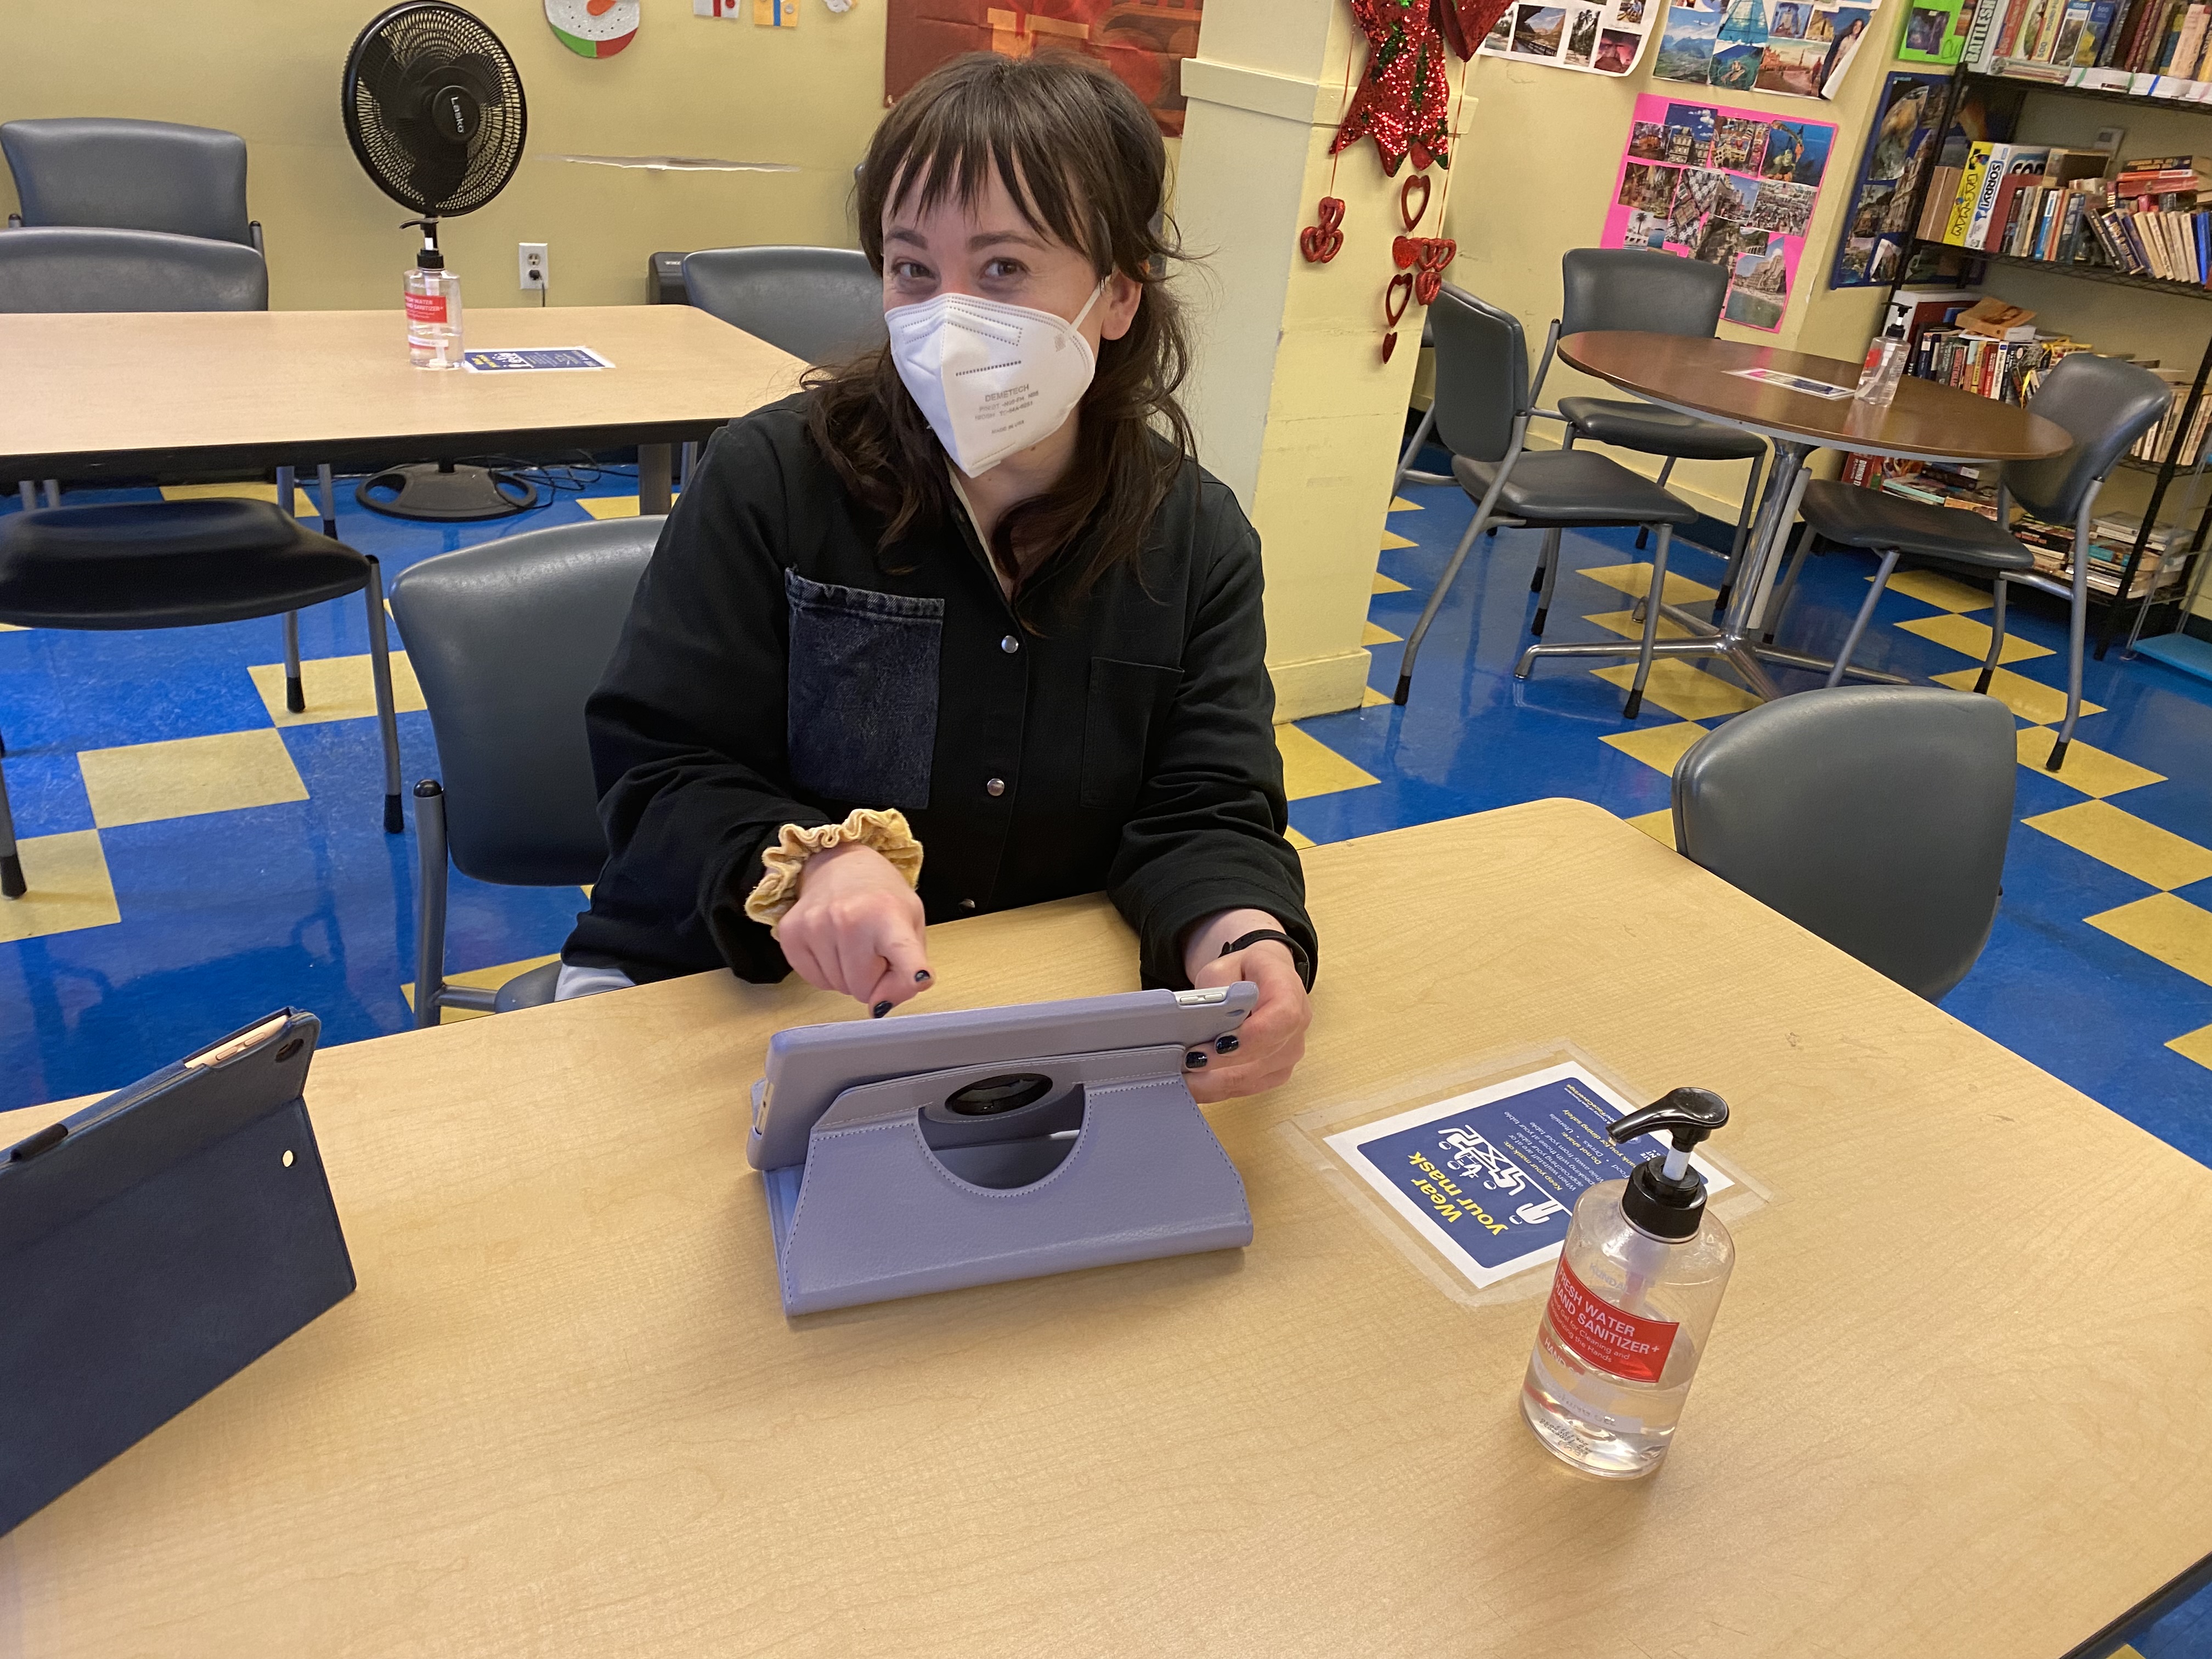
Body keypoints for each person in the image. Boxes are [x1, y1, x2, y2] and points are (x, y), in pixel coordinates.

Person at [555, 50, 1316, 1103]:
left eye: (1003, 269)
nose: (946, 317)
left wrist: (1242, 933)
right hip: (728, 992)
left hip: (1014, 1018)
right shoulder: (772, 481)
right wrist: (812, 863)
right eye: (914, 269)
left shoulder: (1193, 535)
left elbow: (1208, 805)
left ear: (1116, 298)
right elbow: (660, 772)